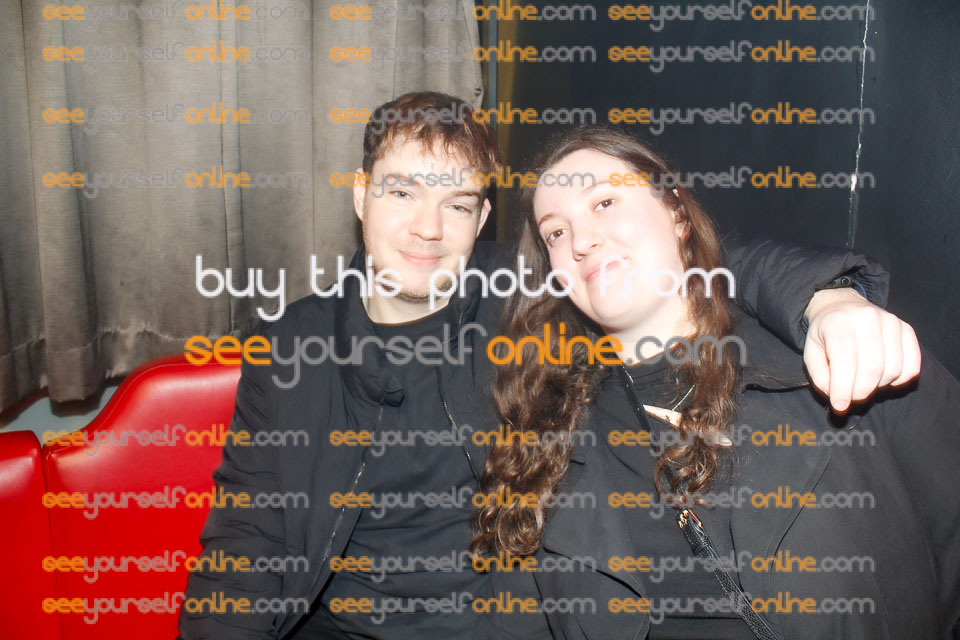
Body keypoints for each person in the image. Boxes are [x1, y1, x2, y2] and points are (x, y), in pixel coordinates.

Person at [178, 93, 922, 640]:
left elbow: (692, 260)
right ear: (360, 195)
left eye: (458, 204)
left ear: (482, 219)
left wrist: (827, 300)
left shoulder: (526, 298)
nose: (428, 228)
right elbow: (247, 539)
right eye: (402, 192)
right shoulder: (289, 347)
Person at [472, 127, 959, 639]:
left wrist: (828, 298)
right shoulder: (546, 441)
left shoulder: (839, 351)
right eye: (556, 232)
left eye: (605, 202)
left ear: (676, 214)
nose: (582, 241)